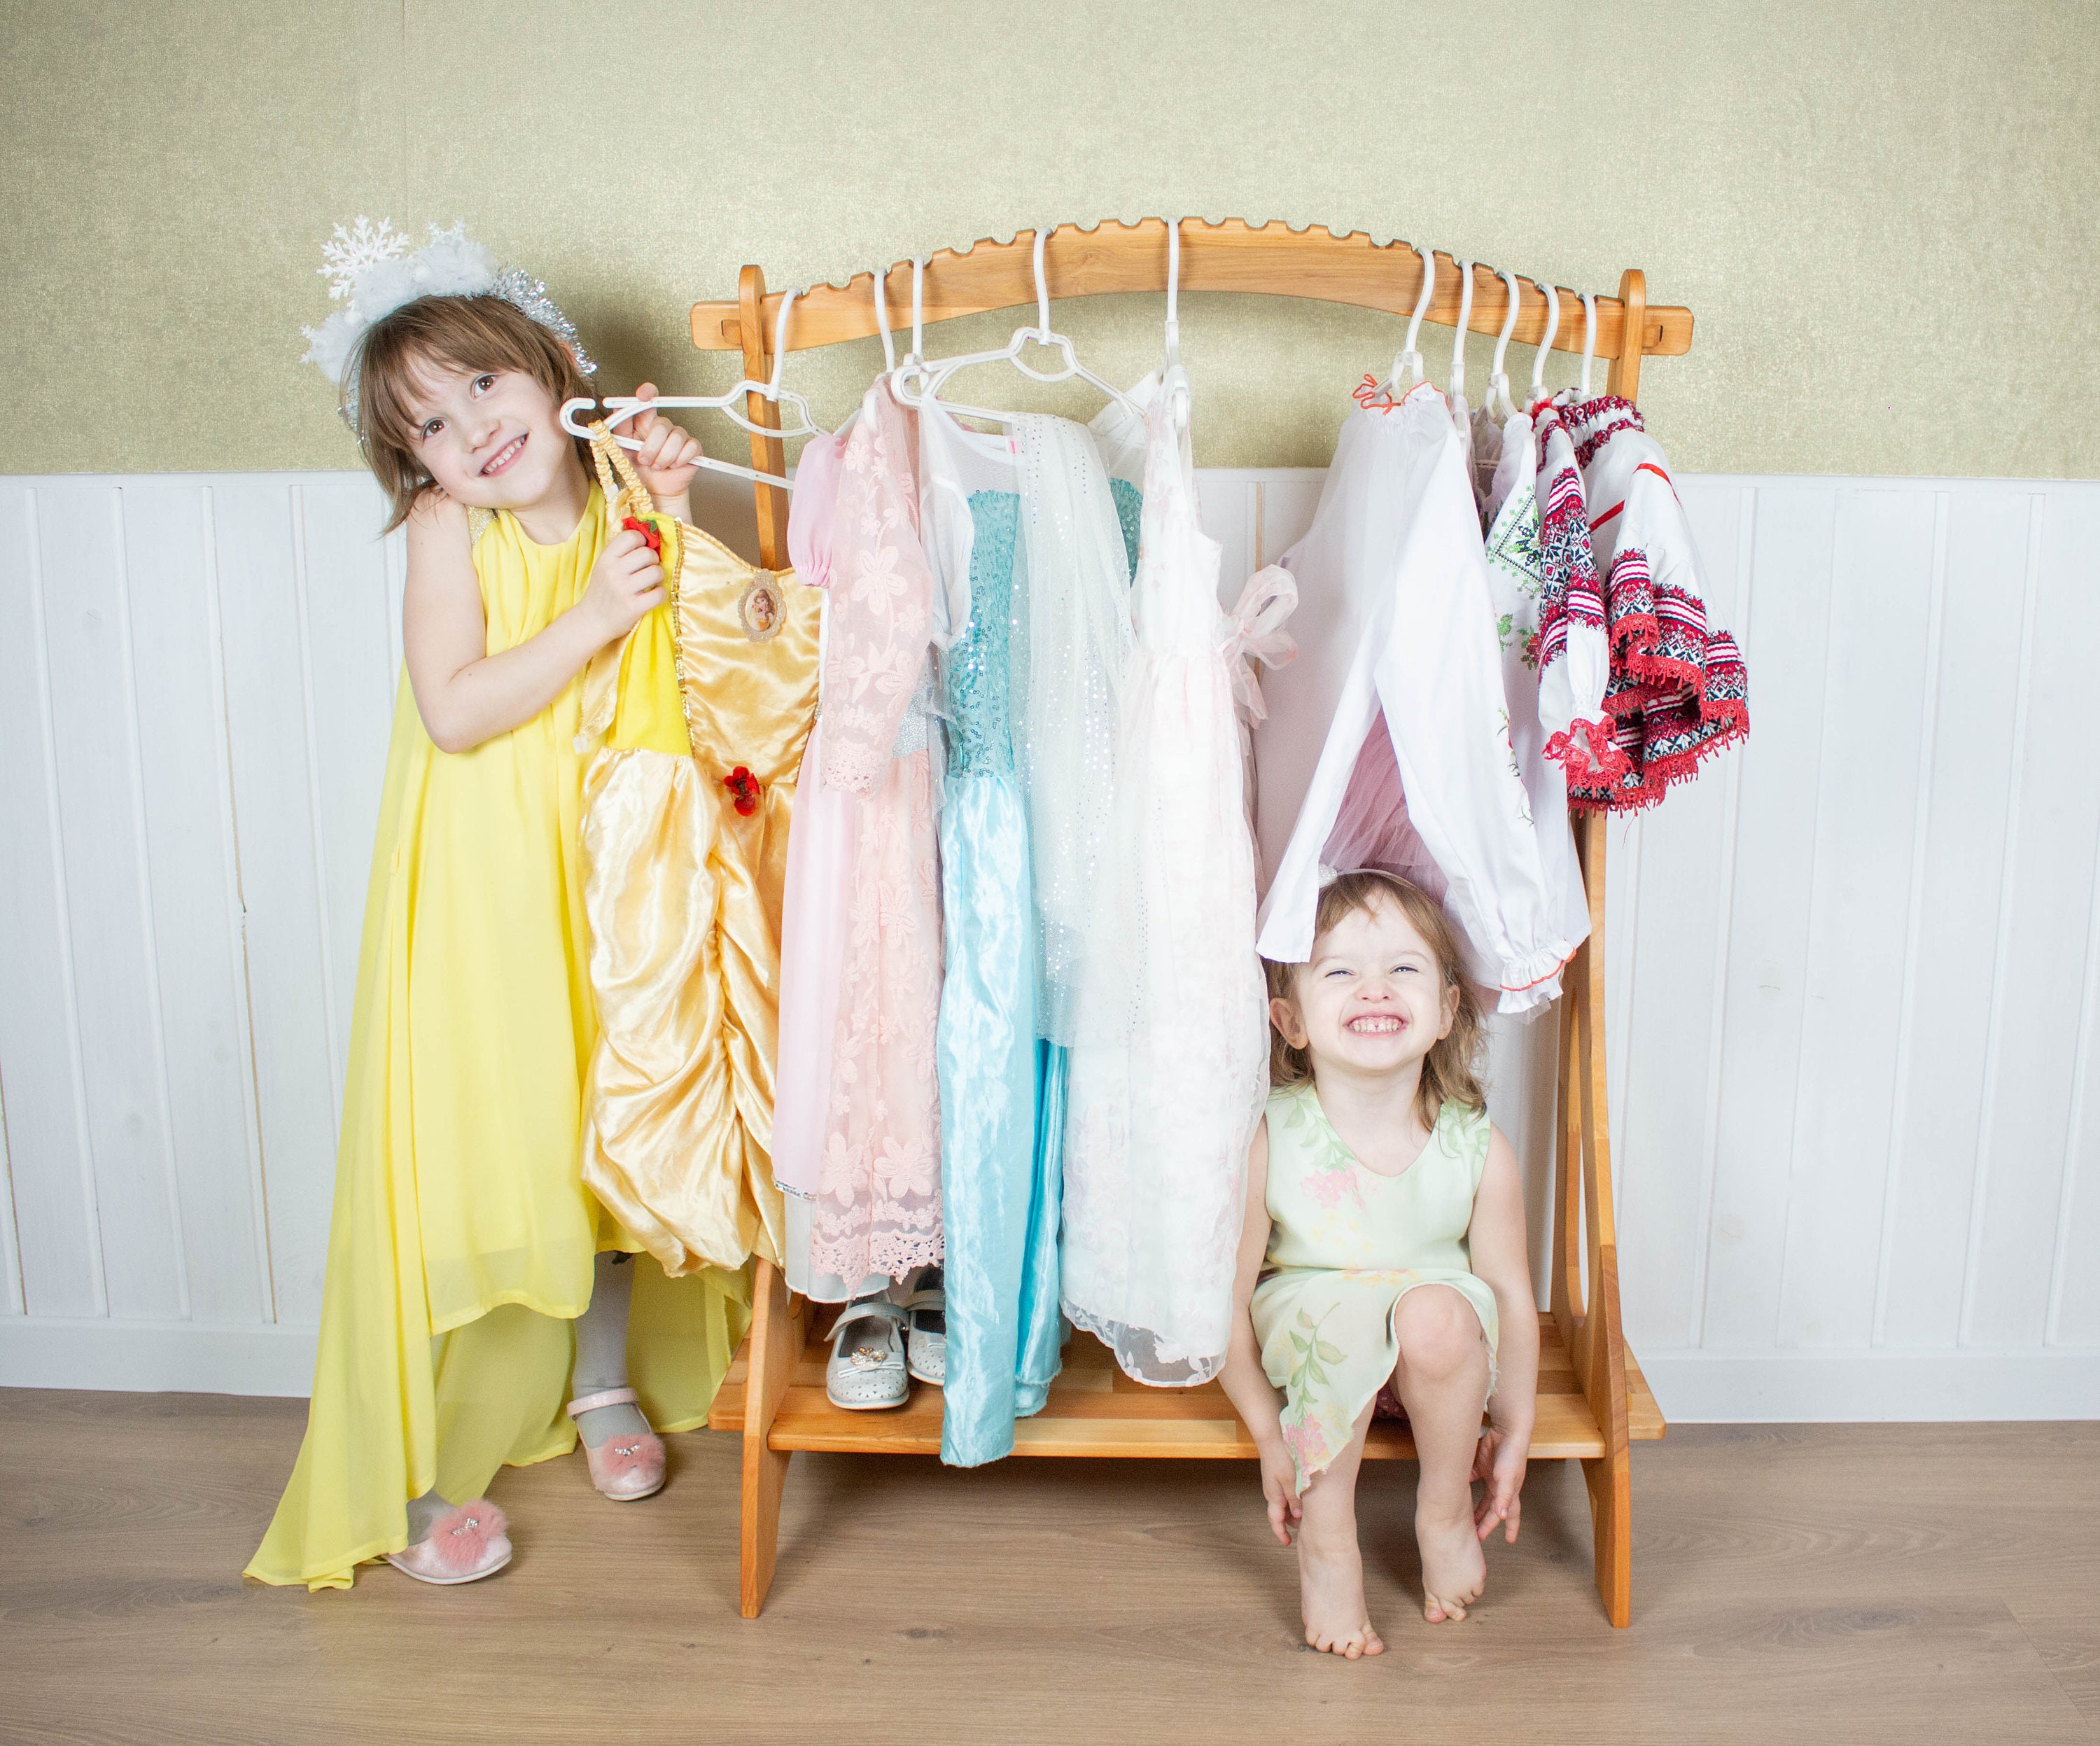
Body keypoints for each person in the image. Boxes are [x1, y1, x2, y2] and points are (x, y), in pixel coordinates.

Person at [248, 228, 748, 1591]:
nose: (469, 429)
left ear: (553, 372)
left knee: (609, 1116)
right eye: (428, 422)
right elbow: (456, 707)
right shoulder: (444, 526)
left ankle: (600, 1389)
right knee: (490, 1131)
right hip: (489, 874)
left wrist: (670, 511)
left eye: (483, 385)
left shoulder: (610, 487)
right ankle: (402, 1464)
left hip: (613, 860)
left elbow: (699, 647)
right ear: (410, 464)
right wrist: (590, 610)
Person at [1217, 869, 1539, 1654]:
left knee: (1437, 1310)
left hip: (1441, 1369)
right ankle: (1328, 1547)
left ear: (1447, 1009)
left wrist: (1516, 1428)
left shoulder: (1476, 1144)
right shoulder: (1272, 1135)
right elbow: (1222, 1304)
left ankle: (1442, 1508)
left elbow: (1510, 1293)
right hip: (1320, 1363)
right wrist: (1266, 1432)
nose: (1375, 988)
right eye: (1340, 971)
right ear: (1289, 1019)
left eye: (1404, 968)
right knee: (1341, 1324)